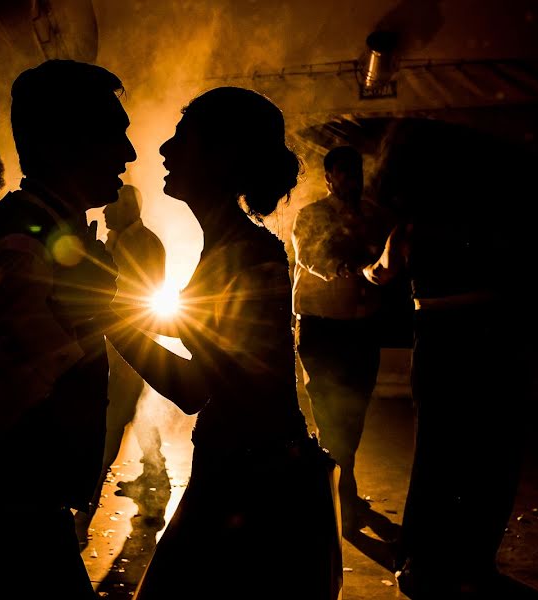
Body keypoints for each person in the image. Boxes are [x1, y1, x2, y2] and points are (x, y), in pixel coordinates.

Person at [104, 87, 342, 600]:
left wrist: (106, 318)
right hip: (247, 470)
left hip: (253, 487)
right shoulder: (235, 247)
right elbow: (204, 329)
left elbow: (194, 386)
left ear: (222, 155)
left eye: (182, 139)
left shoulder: (244, 256)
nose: (164, 151)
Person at [0, 59, 135, 600]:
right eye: (114, 136)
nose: (129, 154)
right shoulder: (22, 243)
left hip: (19, 503)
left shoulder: (48, 230)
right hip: (9, 508)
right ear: (66, 145)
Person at [367, 120, 530, 598]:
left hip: (442, 340)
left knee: (438, 449)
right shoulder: (493, 216)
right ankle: (475, 559)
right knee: (491, 450)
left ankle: (420, 558)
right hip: (494, 336)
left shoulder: (411, 226)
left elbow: (382, 273)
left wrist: (359, 266)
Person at [291, 145, 396, 536]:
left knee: (354, 408)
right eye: (344, 173)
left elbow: (388, 259)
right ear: (329, 178)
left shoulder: (374, 216)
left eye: (356, 171)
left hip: (362, 326)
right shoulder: (311, 215)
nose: (352, 179)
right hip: (322, 325)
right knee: (330, 409)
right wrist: (348, 268)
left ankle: (339, 483)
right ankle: (340, 487)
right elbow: (309, 257)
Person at [74, 183, 168, 547]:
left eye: (111, 206)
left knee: (112, 425)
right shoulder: (127, 239)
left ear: (127, 208)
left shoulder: (140, 242)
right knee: (135, 415)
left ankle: (85, 514)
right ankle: (152, 485)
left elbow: (130, 293)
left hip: (126, 344)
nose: (105, 212)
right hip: (121, 344)